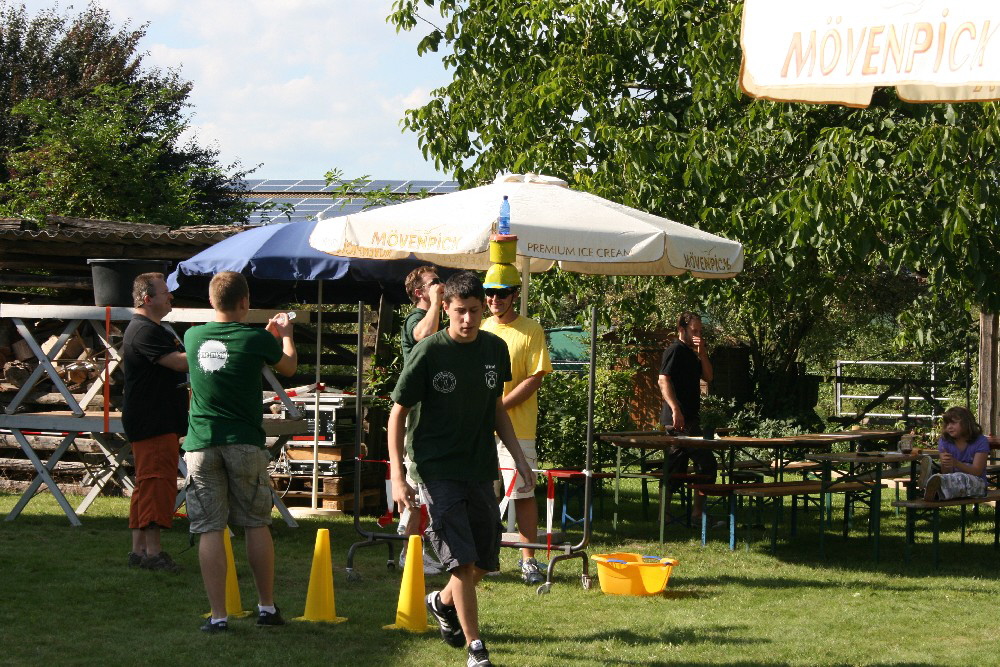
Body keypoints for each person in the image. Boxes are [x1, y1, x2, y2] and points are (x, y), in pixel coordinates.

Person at [388, 271, 534, 667]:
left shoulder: (494, 349)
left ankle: (439, 601)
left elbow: (496, 409)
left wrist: (518, 459)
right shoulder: (429, 352)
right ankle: (476, 648)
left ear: (481, 310)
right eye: (459, 312)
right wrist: (398, 476)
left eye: (473, 311)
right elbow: (397, 413)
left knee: (485, 561)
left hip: (480, 465)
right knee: (463, 561)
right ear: (446, 309)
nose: (467, 320)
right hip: (435, 468)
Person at [182, 271, 297, 633]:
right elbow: (288, 366)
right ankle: (266, 607)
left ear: (212, 301)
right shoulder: (253, 340)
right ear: (245, 302)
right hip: (244, 441)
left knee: (210, 528)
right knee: (255, 522)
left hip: (201, 443)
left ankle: (218, 617)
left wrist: (264, 336)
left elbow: (228, 350)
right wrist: (286, 336)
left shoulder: (192, 336)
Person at [480, 269, 552, 585]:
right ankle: (485, 558)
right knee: (483, 495)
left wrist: (498, 409)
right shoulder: (479, 327)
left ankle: (529, 561)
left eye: (501, 293)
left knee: (522, 494)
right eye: (489, 292)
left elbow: (535, 377)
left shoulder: (530, 329)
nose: (494, 299)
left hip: (518, 429)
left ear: (514, 295)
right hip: (480, 431)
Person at [122, 272, 188, 572]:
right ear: (148, 299)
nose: (170, 296)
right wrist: (216, 346)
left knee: (147, 483)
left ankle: (138, 551)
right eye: (165, 293)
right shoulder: (144, 331)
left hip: (156, 419)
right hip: (153, 420)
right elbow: (177, 362)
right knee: (156, 484)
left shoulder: (155, 329)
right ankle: (152, 553)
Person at [397, 265, 446, 575]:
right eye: (434, 283)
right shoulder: (416, 318)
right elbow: (422, 335)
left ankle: (415, 548)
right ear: (419, 292)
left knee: (428, 483)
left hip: (434, 411)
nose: (440, 286)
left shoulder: (437, 316)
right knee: (417, 482)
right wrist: (438, 302)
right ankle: (408, 552)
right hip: (415, 414)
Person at [657, 311, 715, 523]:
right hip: (678, 419)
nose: (698, 335)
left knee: (676, 466)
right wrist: (675, 409)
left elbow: (708, 377)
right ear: (682, 330)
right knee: (705, 463)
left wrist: (703, 352)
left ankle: (667, 514)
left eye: (701, 331)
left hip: (691, 417)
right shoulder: (674, 350)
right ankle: (696, 515)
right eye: (694, 331)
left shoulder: (693, 353)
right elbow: (663, 380)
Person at [919, 406, 990, 501]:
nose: (949, 427)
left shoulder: (981, 441)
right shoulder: (945, 441)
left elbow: (977, 471)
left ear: (966, 423)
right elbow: (946, 472)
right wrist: (946, 464)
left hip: (977, 483)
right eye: (947, 423)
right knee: (949, 477)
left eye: (953, 423)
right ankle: (931, 484)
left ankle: (930, 485)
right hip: (951, 481)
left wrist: (956, 463)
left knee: (959, 478)